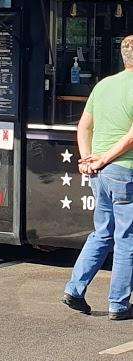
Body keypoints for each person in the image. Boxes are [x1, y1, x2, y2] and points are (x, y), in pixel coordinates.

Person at [63, 35, 133, 320]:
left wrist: (88, 159)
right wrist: (105, 158)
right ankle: (118, 304)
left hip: (100, 174)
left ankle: (74, 290)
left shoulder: (103, 85)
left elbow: (83, 126)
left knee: (102, 233)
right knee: (127, 238)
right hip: (125, 170)